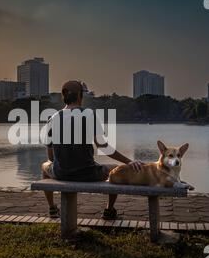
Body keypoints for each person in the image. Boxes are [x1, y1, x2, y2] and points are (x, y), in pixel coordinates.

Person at [41, 81, 144, 220]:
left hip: (61, 173)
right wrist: (129, 162)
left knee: (44, 166)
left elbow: (51, 157)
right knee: (116, 169)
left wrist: (62, 163)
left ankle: (52, 208)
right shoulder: (89, 114)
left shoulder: (52, 118)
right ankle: (109, 209)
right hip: (88, 173)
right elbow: (103, 147)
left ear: (63, 96)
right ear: (80, 96)